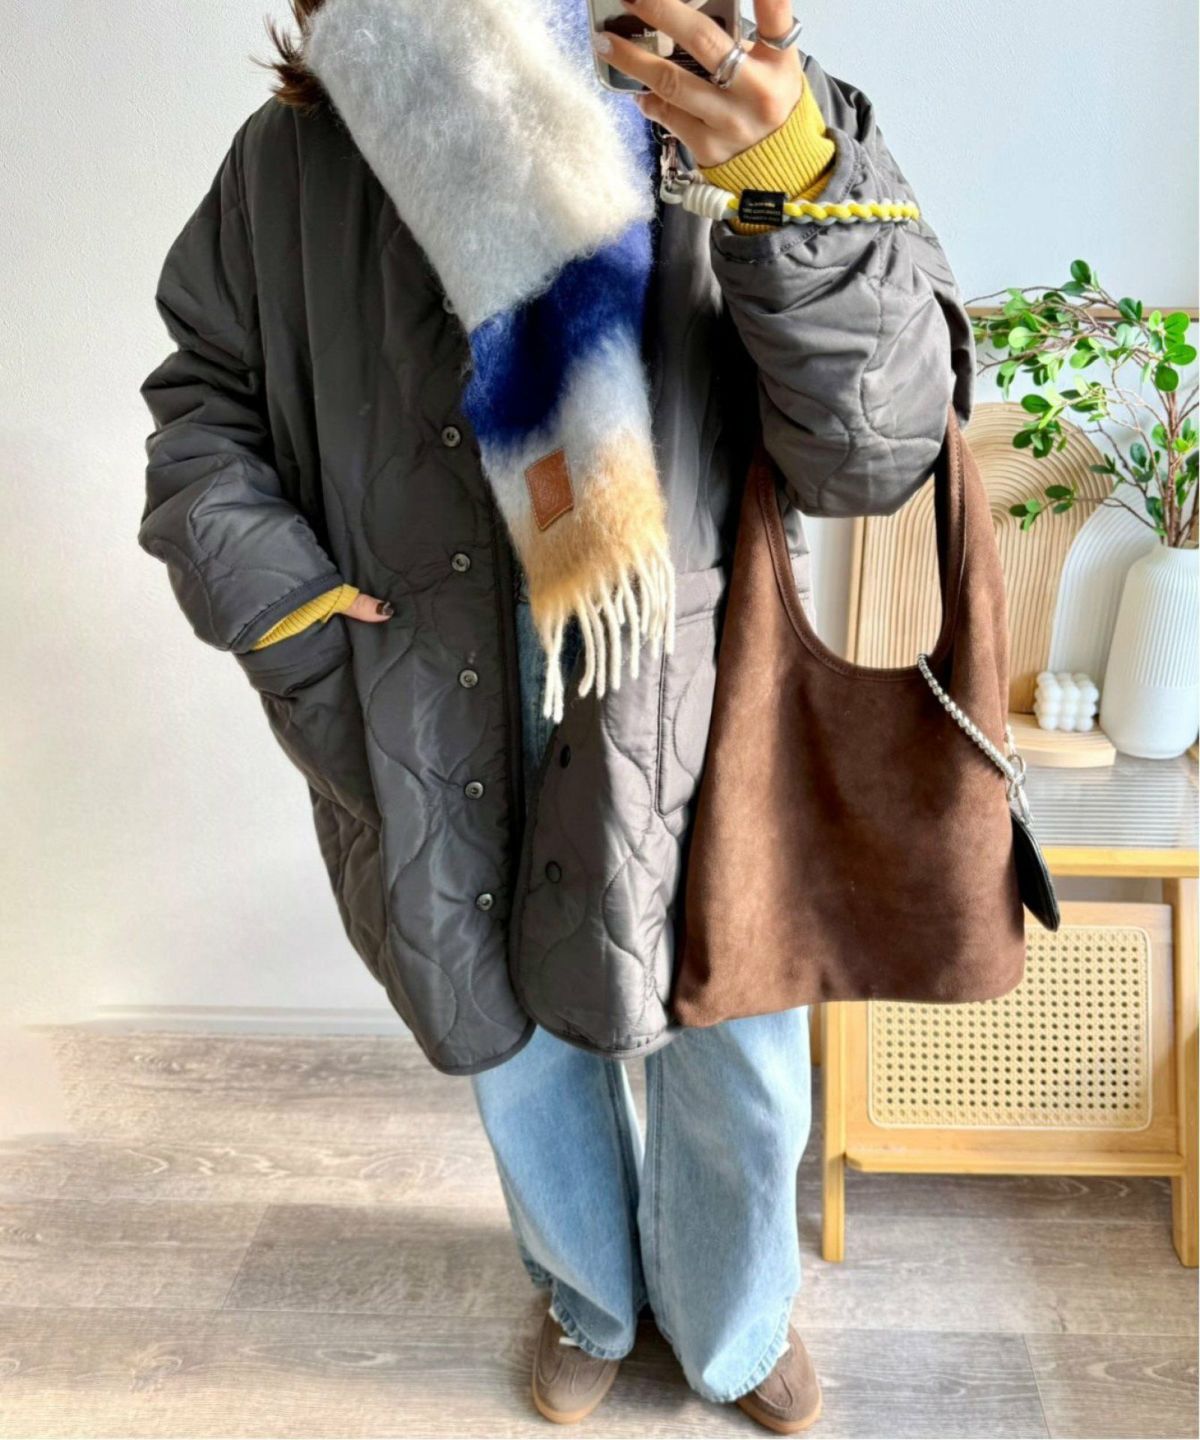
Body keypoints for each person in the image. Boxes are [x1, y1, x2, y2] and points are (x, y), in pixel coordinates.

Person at [139, 0, 973, 1429]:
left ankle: (733, 1321)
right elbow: (202, 395)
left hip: (690, 675)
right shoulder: (302, 151)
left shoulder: (737, 102)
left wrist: (790, 186)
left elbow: (877, 450)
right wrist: (280, 604)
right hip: (428, 682)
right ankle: (586, 1294)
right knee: (512, 1045)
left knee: (737, 1046)